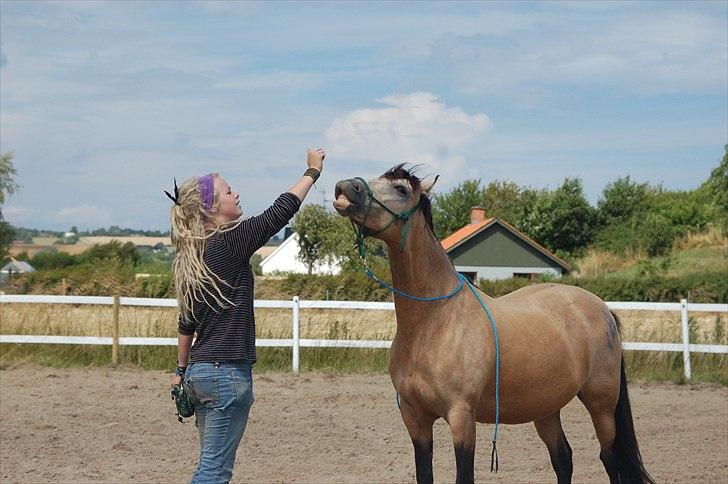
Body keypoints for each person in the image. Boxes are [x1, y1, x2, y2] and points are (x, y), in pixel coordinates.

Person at [167, 148, 325, 483]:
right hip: (226, 377)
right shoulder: (229, 242)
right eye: (228, 191)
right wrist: (312, 172)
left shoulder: (194, 257)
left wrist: (180, 373)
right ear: (212, 208)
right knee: (213, 471)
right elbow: (279, 212)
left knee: (210, 464)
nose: (236, 194)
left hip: (200, 374)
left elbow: (187, 324)